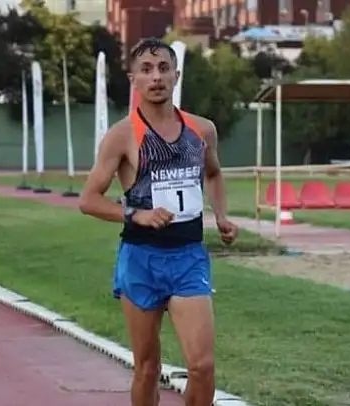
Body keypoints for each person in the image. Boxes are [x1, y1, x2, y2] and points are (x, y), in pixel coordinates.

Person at [79, 38, 238, 406]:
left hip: (188, 257)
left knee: (202, 367)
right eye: (147, 70)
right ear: (133, 79)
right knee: (147, 368)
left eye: (164, 69)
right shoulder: (122, 136)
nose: (156, 77)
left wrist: (221, 215)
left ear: (176, 76)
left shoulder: (202, 130)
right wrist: (137, 214)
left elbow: (214, 174)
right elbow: (89, 200)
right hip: (141, 259)